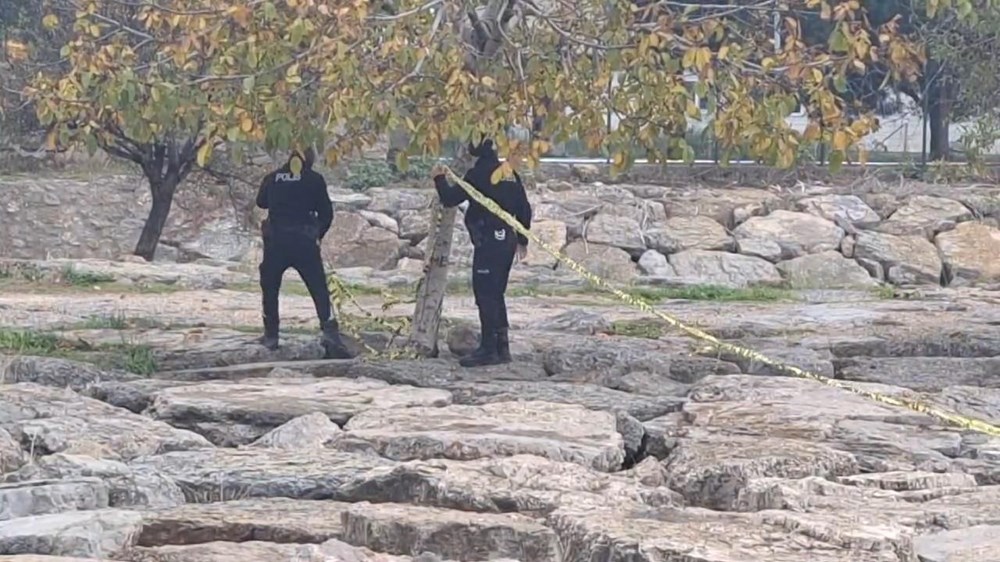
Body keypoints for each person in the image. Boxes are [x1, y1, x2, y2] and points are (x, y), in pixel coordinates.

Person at [432, 138, 533, 368]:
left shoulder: (477, 175)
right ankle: (502, 347)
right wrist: (522, 240)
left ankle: (489, 348)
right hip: (507, 239)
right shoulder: (508, 172)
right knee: (497, 293)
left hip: (489, 240)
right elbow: (524, 208)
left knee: (485, 294)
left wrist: (438, 178)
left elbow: (449, 199)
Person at [255, 146, 353, 359]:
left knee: (270, 287)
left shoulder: (272, 178)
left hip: (276, 242)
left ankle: (271, 335)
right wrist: (318, 233)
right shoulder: (314, 180)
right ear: (309, 159)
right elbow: (326, 212)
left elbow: (260, 202)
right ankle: (330, 334)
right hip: (305, 241)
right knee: (318, 288)